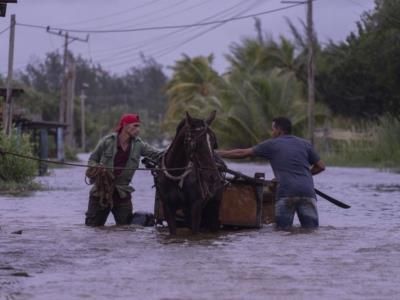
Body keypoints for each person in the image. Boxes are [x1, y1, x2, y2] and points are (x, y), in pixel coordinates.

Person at [216, 117, 325, 230]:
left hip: (286, 193)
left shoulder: (272, 145)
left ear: (279, 130)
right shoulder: (305, 144)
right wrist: (304, 175)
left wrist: (218, 153)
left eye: (272, 129)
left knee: (282, 232)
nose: (272, 132)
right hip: (308, 192)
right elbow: (321, 166)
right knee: (311, 231)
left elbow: (243, 153)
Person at [85, 113, 163, 226]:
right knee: (92, 228)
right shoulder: (107, 141)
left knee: (126, 230)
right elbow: (92, 160)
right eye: (135, 126)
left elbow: (157, 155)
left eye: (139, 126)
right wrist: (97, 167)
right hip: (101, 193)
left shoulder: (139, 145)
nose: (138, 129)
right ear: (125, 125)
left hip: (122, 194)